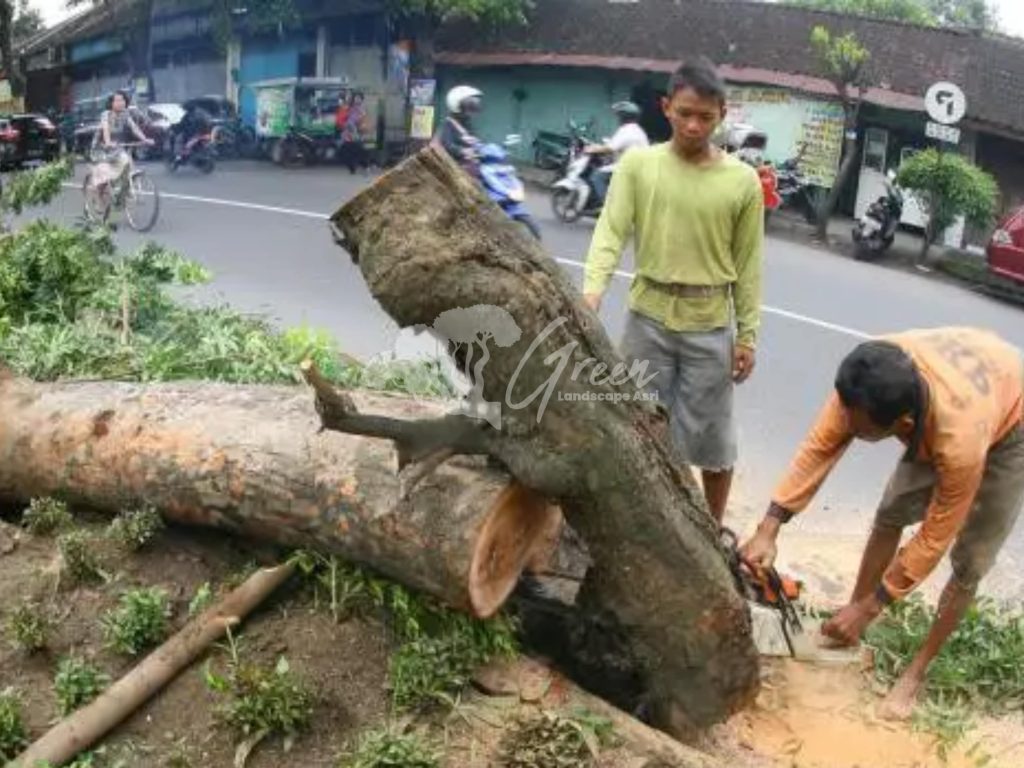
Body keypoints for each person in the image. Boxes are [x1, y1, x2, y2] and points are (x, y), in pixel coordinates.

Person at [741, 328, 1024, 719]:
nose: (849, 430)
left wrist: (875, 605)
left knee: (970, 562)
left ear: (903, 423)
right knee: (891, 513)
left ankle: (915, 673)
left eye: (860, 431)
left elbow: (935, 536)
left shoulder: (958, 442)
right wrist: (768, 528)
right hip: (962, 384)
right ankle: (851, 621)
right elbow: (819, 447)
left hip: (1010, 422)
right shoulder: (865, 378)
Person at [583, 58, 764, 524]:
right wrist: (592, 291)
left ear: (721, 113)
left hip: (710, 326)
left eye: (704, 116)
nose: (692, 124)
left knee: (714, 441)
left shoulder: (742, 181)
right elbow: (610, 231)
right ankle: (630, 520)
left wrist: (747, 335)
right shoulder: (638, 167)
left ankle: (711, 530)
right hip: (647, 319)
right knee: (633, 424)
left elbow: (748, 265)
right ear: (666, 107)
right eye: (684, 112)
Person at [586, 100, 650, 205]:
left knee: (596, 176)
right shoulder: (638, 130)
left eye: (619, 115)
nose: (618, 118)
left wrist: (591, 149)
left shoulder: (626, 130)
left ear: (623, 117)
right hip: (639, 167)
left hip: (628, 167)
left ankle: (609, 207)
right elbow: (617, 145)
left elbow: (610, 148)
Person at [91, 90, 153, 196]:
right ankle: (101, 190)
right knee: (107, 175)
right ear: (112, 103)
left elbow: (134, 128)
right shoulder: (106, 114)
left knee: (127, 163)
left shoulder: (125, 114)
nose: (120, 103)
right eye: (117, 100)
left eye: (122, 100)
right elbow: (105, 129)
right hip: (102, 147)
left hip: (118, 148)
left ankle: (123, 191)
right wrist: (108, 142)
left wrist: (145, 139)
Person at [439, 85, 483, 176]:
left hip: (470, 165)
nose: (471, 113)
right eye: (468, 108)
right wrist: (462, 151)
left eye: (472, 108)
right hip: (455, 167)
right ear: (457, 107)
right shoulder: (449, 124)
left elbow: (472, 139)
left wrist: (479, 146)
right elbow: (447, 144)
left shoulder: (466, 123)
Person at [338, 91, 370, 174]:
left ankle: (365, 166)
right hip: (347, 134)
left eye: (359, 98)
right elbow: (343, 118)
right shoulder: (349, 108)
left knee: (358, 151)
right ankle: (352, 167)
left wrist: (360, 128)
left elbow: (363, 122)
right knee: (344, 152)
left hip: (356, 134)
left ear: (362, 100)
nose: (357, 100)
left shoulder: (362, 110)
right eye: (356, 98)